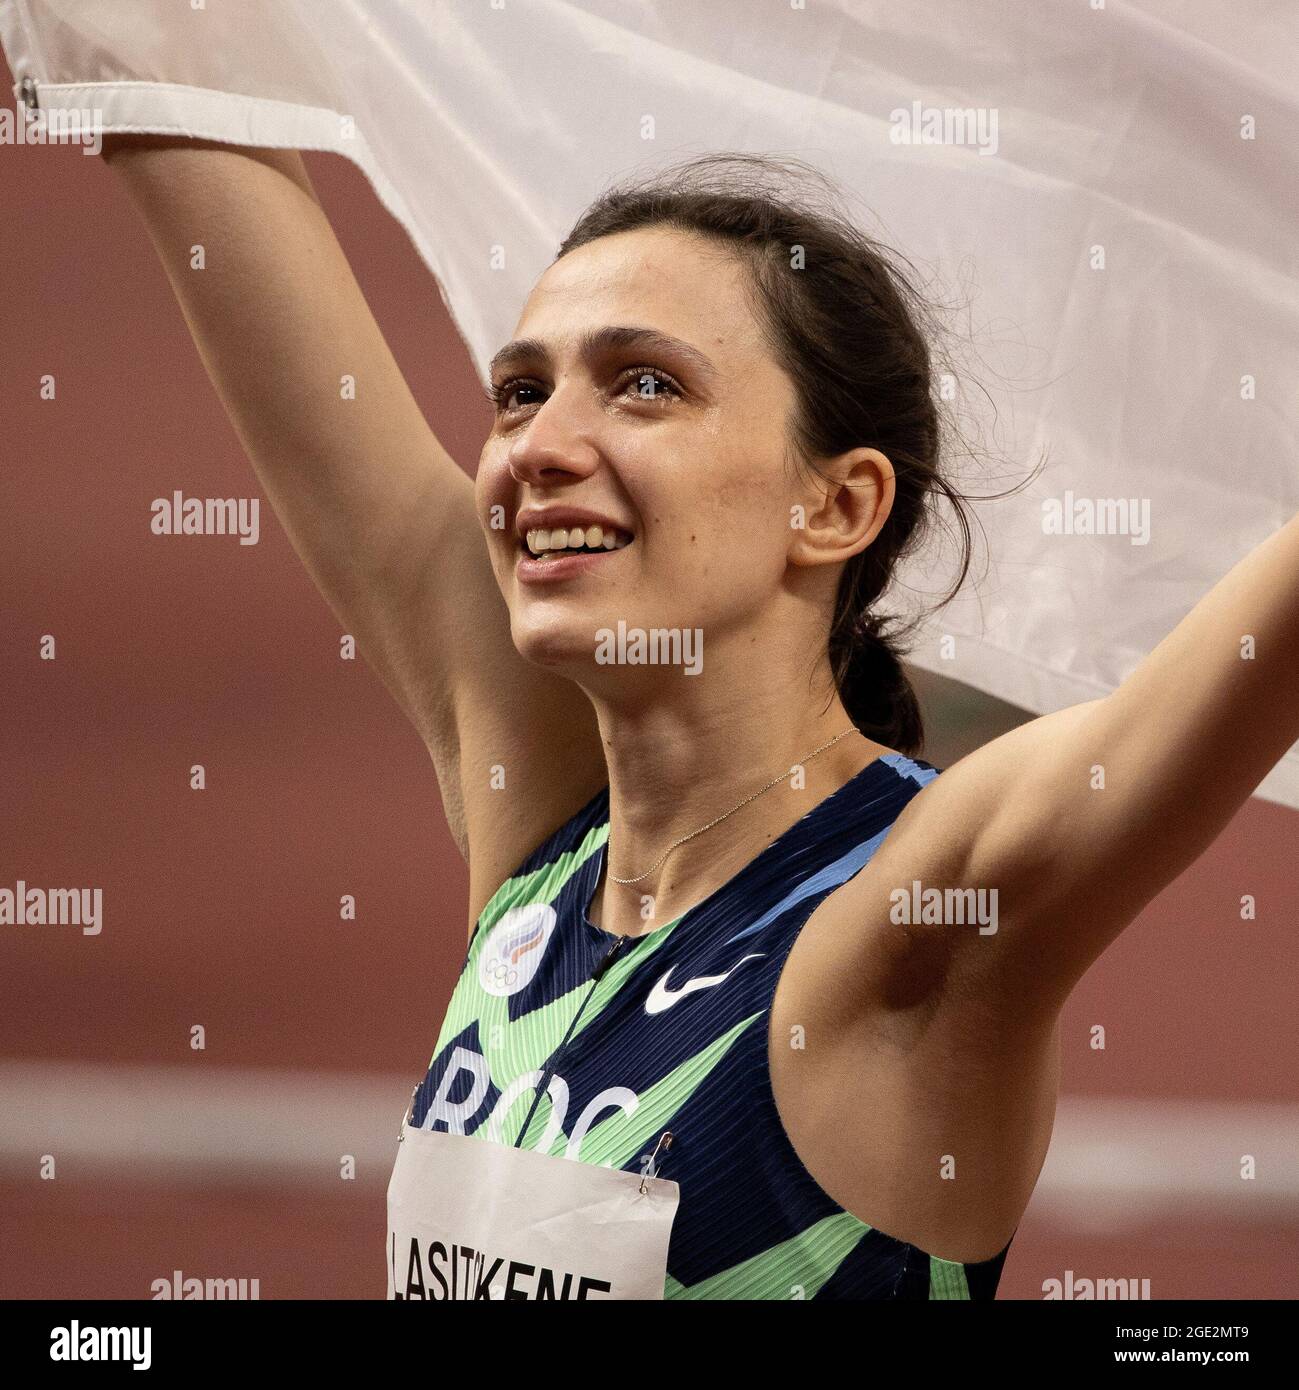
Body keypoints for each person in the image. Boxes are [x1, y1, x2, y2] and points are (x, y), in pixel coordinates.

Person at [98, 139, 1299, 1300]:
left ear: (835, 504)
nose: (540, 450)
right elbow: (181, 120)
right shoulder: (542, 859)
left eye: (646, 385)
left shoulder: (915, 918)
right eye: (520, 393)